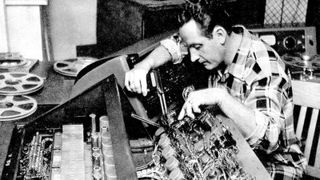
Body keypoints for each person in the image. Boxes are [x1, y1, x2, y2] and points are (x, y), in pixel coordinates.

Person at [124, 0, 306, 179]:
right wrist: (144, 65)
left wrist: (221, 97)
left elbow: (269, 139)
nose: (193, 57)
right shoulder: (221, 41)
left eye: (197, 47)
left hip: (272, 167)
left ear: (219, 35)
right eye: (190, 48)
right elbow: (174, 45)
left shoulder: (264, 68)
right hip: (234, 151)